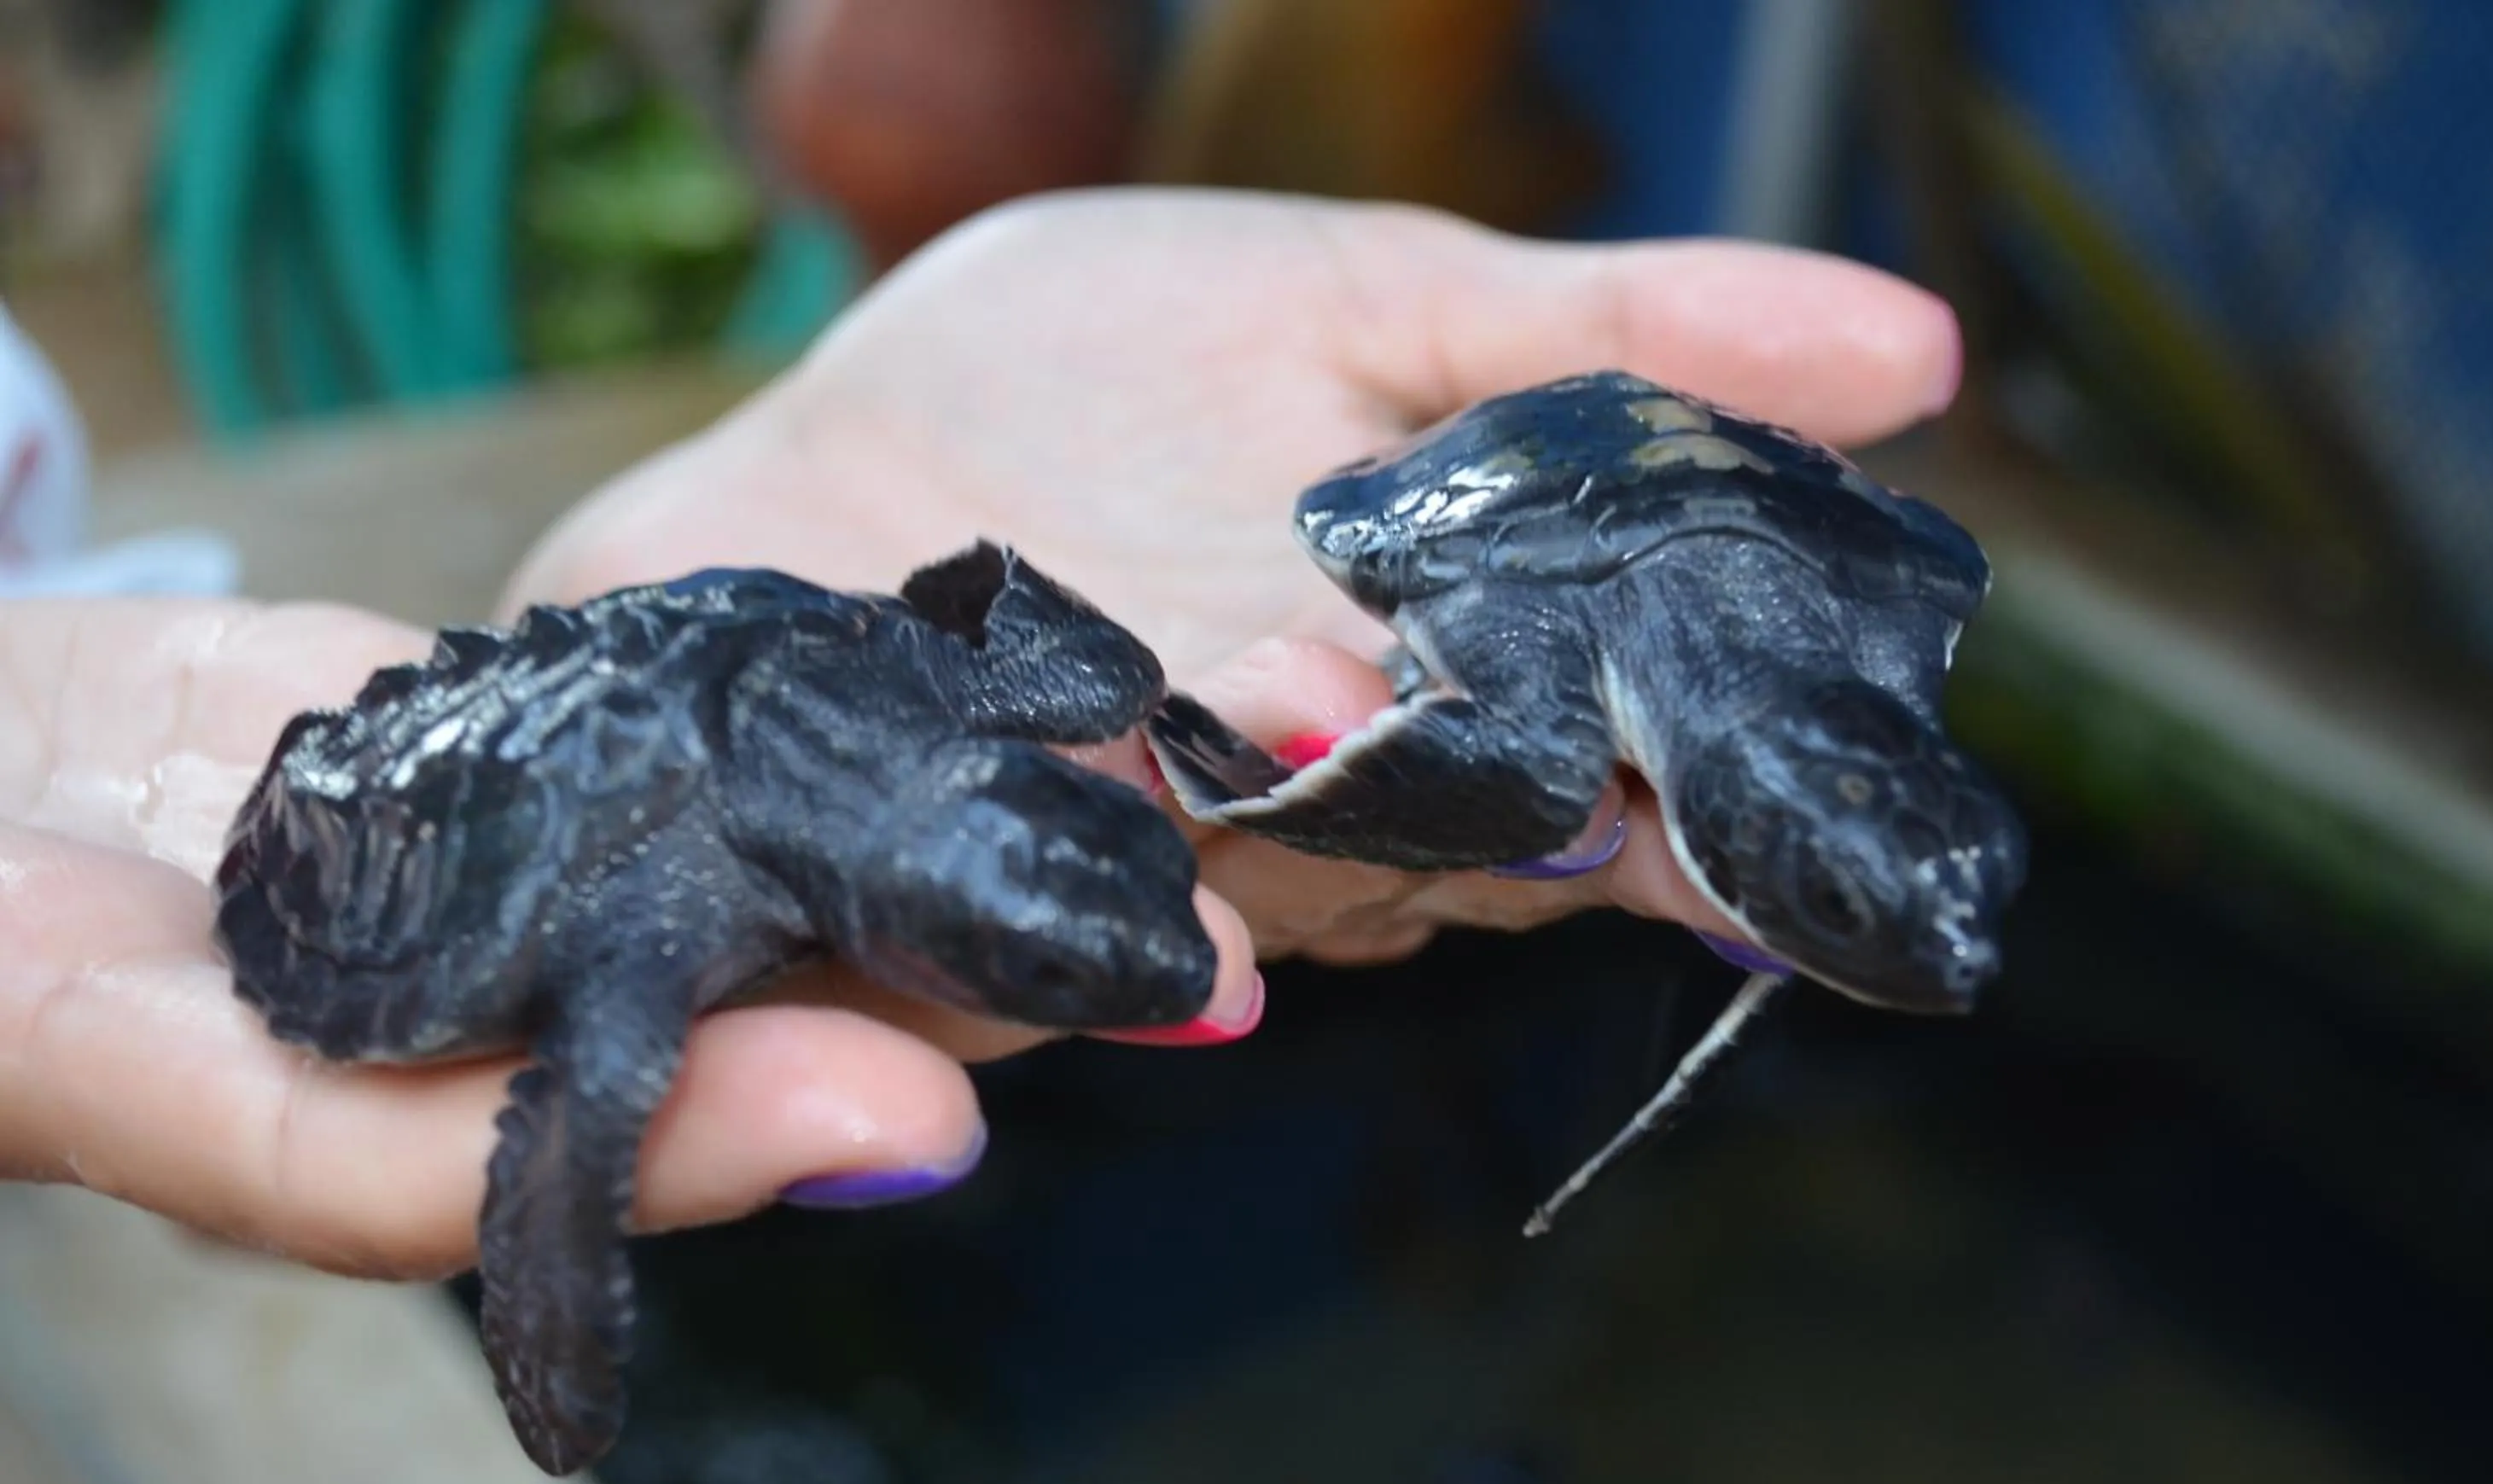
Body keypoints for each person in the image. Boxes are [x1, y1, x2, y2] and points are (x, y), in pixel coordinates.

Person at [0, 187, 1961, 1281]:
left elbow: (973, 621)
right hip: (1497, 518)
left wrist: (1165, 733)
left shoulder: (1889, 606)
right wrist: (553, 1303)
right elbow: (536, 1105)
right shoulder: (671, 917)